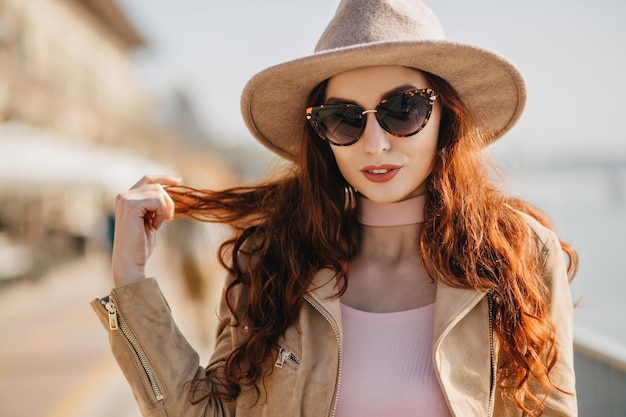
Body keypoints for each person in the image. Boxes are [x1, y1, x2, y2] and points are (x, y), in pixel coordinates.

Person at [91, 0, 578, 416]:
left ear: (445, 116)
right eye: (343, 119)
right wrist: (130, 282)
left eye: (402, 109)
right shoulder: (272, 258)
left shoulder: (518, 254)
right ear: (322, 137)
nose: (374, 143)